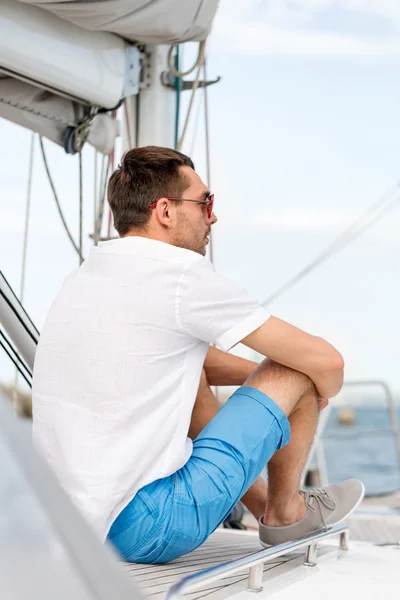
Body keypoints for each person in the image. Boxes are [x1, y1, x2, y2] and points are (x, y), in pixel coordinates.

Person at [32, 146, 364, 564]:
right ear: (166, 211)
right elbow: (328, 362)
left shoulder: (85, 274)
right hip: (151, 527)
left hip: (72, 523)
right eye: (205, 202)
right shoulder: (179, 275)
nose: (213, 216)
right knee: (296, 370)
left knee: (197, 368)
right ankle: (285, 514)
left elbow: (185, 360)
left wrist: (259, 380)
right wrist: (308, 388)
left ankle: (262, 506)